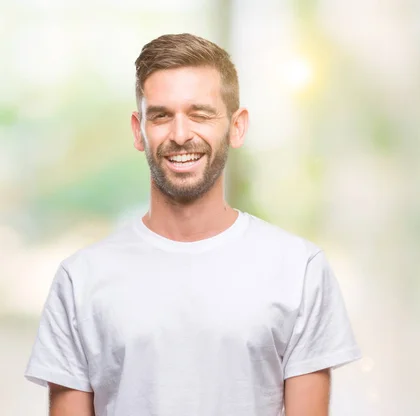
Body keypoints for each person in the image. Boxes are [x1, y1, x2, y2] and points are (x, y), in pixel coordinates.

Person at [24, 33, 361, 416]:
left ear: (237, 127)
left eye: (200, 114)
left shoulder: (300, 270)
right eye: (162, 116)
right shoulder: (80, 279)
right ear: (139, 130)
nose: (181, 135)